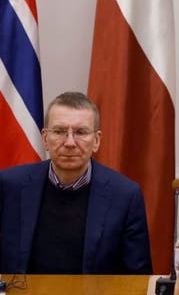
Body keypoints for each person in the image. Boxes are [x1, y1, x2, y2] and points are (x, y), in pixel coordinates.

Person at [0, 92, 152, 274]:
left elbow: (138, 279)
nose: (70, 142)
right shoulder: (9, 186)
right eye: (59, 131)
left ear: (96, 141)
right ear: (45, 139)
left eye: (80, 132)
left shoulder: (125, 196)